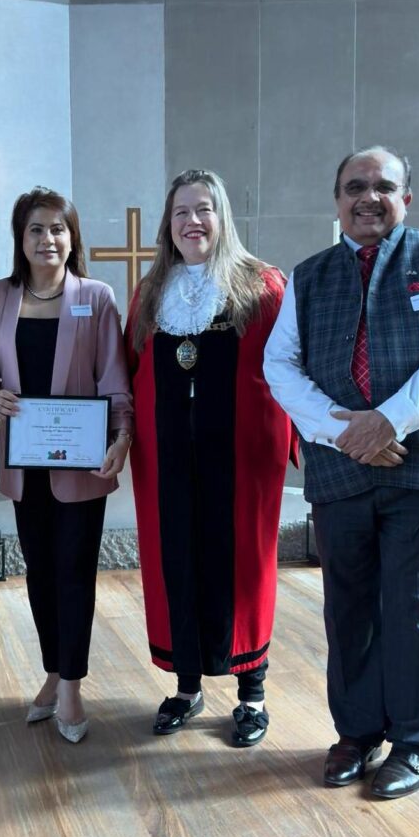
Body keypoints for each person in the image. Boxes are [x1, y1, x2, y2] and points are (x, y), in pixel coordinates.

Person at [264, 145, 419, 799]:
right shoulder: (309, 275)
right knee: (348, 607)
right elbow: (279, 365)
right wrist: (343, 431)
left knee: (417, 610)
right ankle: (356, 732)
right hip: (341, 467)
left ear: (408, 197)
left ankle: (413, 742)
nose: (367, 197)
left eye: (383, 186)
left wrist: (389, 421)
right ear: (336, 199)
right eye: (354, 186)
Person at [125, 169, 294, 746]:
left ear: (222, 217)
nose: (191, 221)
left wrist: (294, 441)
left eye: (204, 209)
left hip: (243, 454)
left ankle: (252, 693)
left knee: (244, 562)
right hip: (167, 451)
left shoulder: (262, 285)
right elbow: (130, 369)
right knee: (175, 559)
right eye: (180, 212)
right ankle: (187, 686)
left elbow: (289, 369)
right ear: (167, 224)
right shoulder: (150, 293)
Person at [0, 187, 133, 743]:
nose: (48, 239)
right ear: (21, 239)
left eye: (58, 229)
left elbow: (114, 378)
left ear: (73, 237)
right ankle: (51, 672)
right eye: (37, 229)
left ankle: (71, 686)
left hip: (82, 465)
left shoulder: (96, 296)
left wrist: (123, 436)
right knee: (39, 573)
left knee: (74, 574)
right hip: (24, 465)